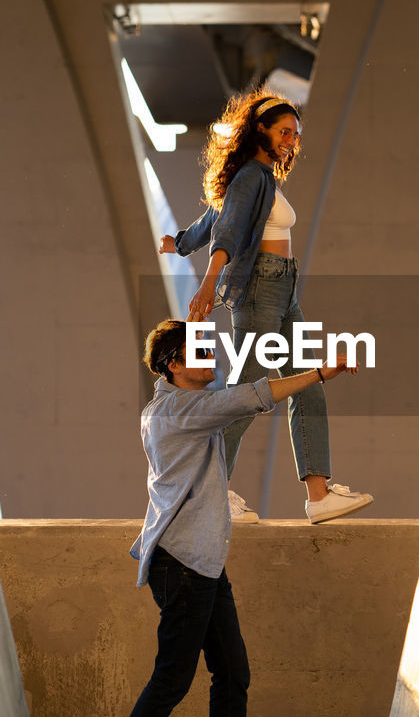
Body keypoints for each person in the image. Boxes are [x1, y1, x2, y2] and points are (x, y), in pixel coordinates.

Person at [99, 317, 358, 717]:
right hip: (183, 564)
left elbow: (232, 396)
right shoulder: (177, 410)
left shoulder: (176, 405)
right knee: (173, 678)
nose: (212, 359)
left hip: (203, 563)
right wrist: (319, 374)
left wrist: (195, 320)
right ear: (174, 365)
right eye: (200, 353)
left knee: (232, 672)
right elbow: (251, 398)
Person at [159, 89, 373, 524]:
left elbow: (212, 220)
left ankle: (319, 496)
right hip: (260, 288)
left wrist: (178, 244)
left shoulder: (256, 178)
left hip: (284, 288)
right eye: (283, 132)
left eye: (295, 135)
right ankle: (207, 491)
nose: (291, 141)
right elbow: (229, 232)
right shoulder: (252, 177)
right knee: (244, 394)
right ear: (260, 129)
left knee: (308, 382)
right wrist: (206, 283)